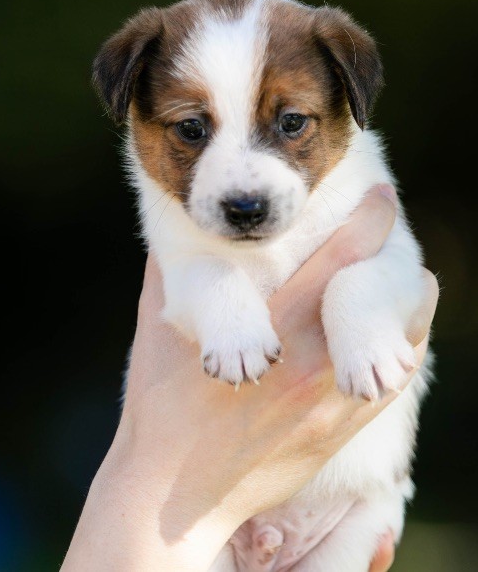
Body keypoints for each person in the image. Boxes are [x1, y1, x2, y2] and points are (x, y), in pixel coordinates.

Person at [61, 187, 439, 571]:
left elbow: (405, 277)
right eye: (193, 130)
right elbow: (188, 279)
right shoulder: (187, 212)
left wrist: (358, 305)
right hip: (193, 526)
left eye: (291, 122)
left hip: (344, 514)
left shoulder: (358, 190)